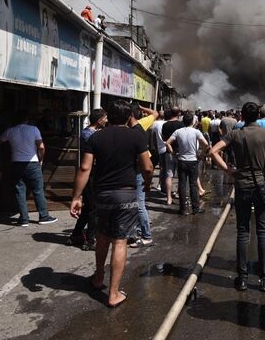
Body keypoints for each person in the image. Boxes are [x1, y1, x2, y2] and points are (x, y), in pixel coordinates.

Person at [70, 100, 153, 308]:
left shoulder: (96, 137)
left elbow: (84, 168)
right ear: (127, 117)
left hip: (102, 195)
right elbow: (148, 167)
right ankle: (113, 293)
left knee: (103, 237)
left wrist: (76, 197)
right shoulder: (136, 135)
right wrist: (148, 184)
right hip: (126, 194)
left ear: (109, 117)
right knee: (120, 241)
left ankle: (98, 278)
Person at [210, 102, 265, 292]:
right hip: (262, 185)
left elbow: (213, 151)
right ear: (259, 116)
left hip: (242, 185)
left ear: (242, 117)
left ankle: (242, 278)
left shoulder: (235, 134)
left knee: (243, 231)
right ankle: (264, 278)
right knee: (263, 230)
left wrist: (229, 170)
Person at [0, 111, 57, 226]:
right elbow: (41, 147)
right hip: (32, 163)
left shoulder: (10, 131)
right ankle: (43, 216)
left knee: (19, 190)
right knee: (38, 190)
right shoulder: (34, 129)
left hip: (16, 163)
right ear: (27, 119)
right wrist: (40, 159)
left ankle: (23, 219)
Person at [67, 108, 107, 250]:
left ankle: (76, 235)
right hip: (90, 174)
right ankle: (90, 240)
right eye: (105, 118)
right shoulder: (88, 134)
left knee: (89, 208)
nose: (107, 120)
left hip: (93, 172)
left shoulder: (94, 133)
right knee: (92, 208)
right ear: (100, 120)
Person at [128, 104, 159, 248]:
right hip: (139, 167)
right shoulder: (141, 124)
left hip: (139, 168)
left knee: (139, 204)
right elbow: (155, 113)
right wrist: (142, 107)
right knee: (137, 203)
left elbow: (148, 168)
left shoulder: (131, 129)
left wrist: (148, 182)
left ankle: (146, 235)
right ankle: (139, 230)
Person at [166, 112, 208, 215]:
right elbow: (206, 144)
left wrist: (173, 154)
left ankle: (183, 209)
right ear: (192, 121)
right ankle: (195, 209)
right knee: (193, 185)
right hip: (193, 161)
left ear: (183, 121)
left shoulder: (178, 131)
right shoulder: (196, 132)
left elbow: (167, 143)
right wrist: (201, 154)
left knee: (182, 184)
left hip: (182, 161)